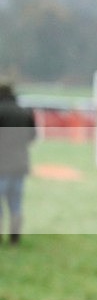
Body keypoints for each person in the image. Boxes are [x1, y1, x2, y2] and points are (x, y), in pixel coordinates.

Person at [0, 80, 37, 245]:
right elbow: (32, 136)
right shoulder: (24, 112)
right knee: (16, 203)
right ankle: (14, 238)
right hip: (20, 164)